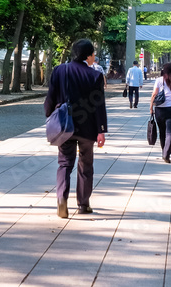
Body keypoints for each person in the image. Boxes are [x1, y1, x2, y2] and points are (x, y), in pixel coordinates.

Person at [44, 38, 108, 218]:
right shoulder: (95, 76)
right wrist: (101, 129)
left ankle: (61, 201)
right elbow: (99, 105)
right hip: (88, 128)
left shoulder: (59, 70)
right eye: (93, 54)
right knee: (86, 165)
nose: (94, 57)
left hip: (64, 126)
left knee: (64, 163)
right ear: (87, 56)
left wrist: (50, 116)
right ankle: (83, 204)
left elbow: (50, 97)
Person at [149, 62, 171, 163]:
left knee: (162, 132)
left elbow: (154, 94)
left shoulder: (159, 80)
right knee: (170, 132)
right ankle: (166, 154)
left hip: (160, 109)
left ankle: (164, 151)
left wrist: (151, 107)